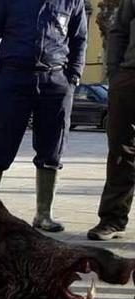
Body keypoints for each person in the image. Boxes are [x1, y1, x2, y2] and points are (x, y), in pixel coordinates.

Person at [0, 0, 87, 232]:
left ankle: (43, 214)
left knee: (52, 148)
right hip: (12, 77)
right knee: (0, 144)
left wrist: (74, 77)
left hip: (56, 81)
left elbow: (79, 39)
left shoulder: (72, 2)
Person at [88, 0, 135, 242]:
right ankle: (112, 219)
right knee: (120, 149)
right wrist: (115, 74)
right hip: (129, 78)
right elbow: (118, 31)